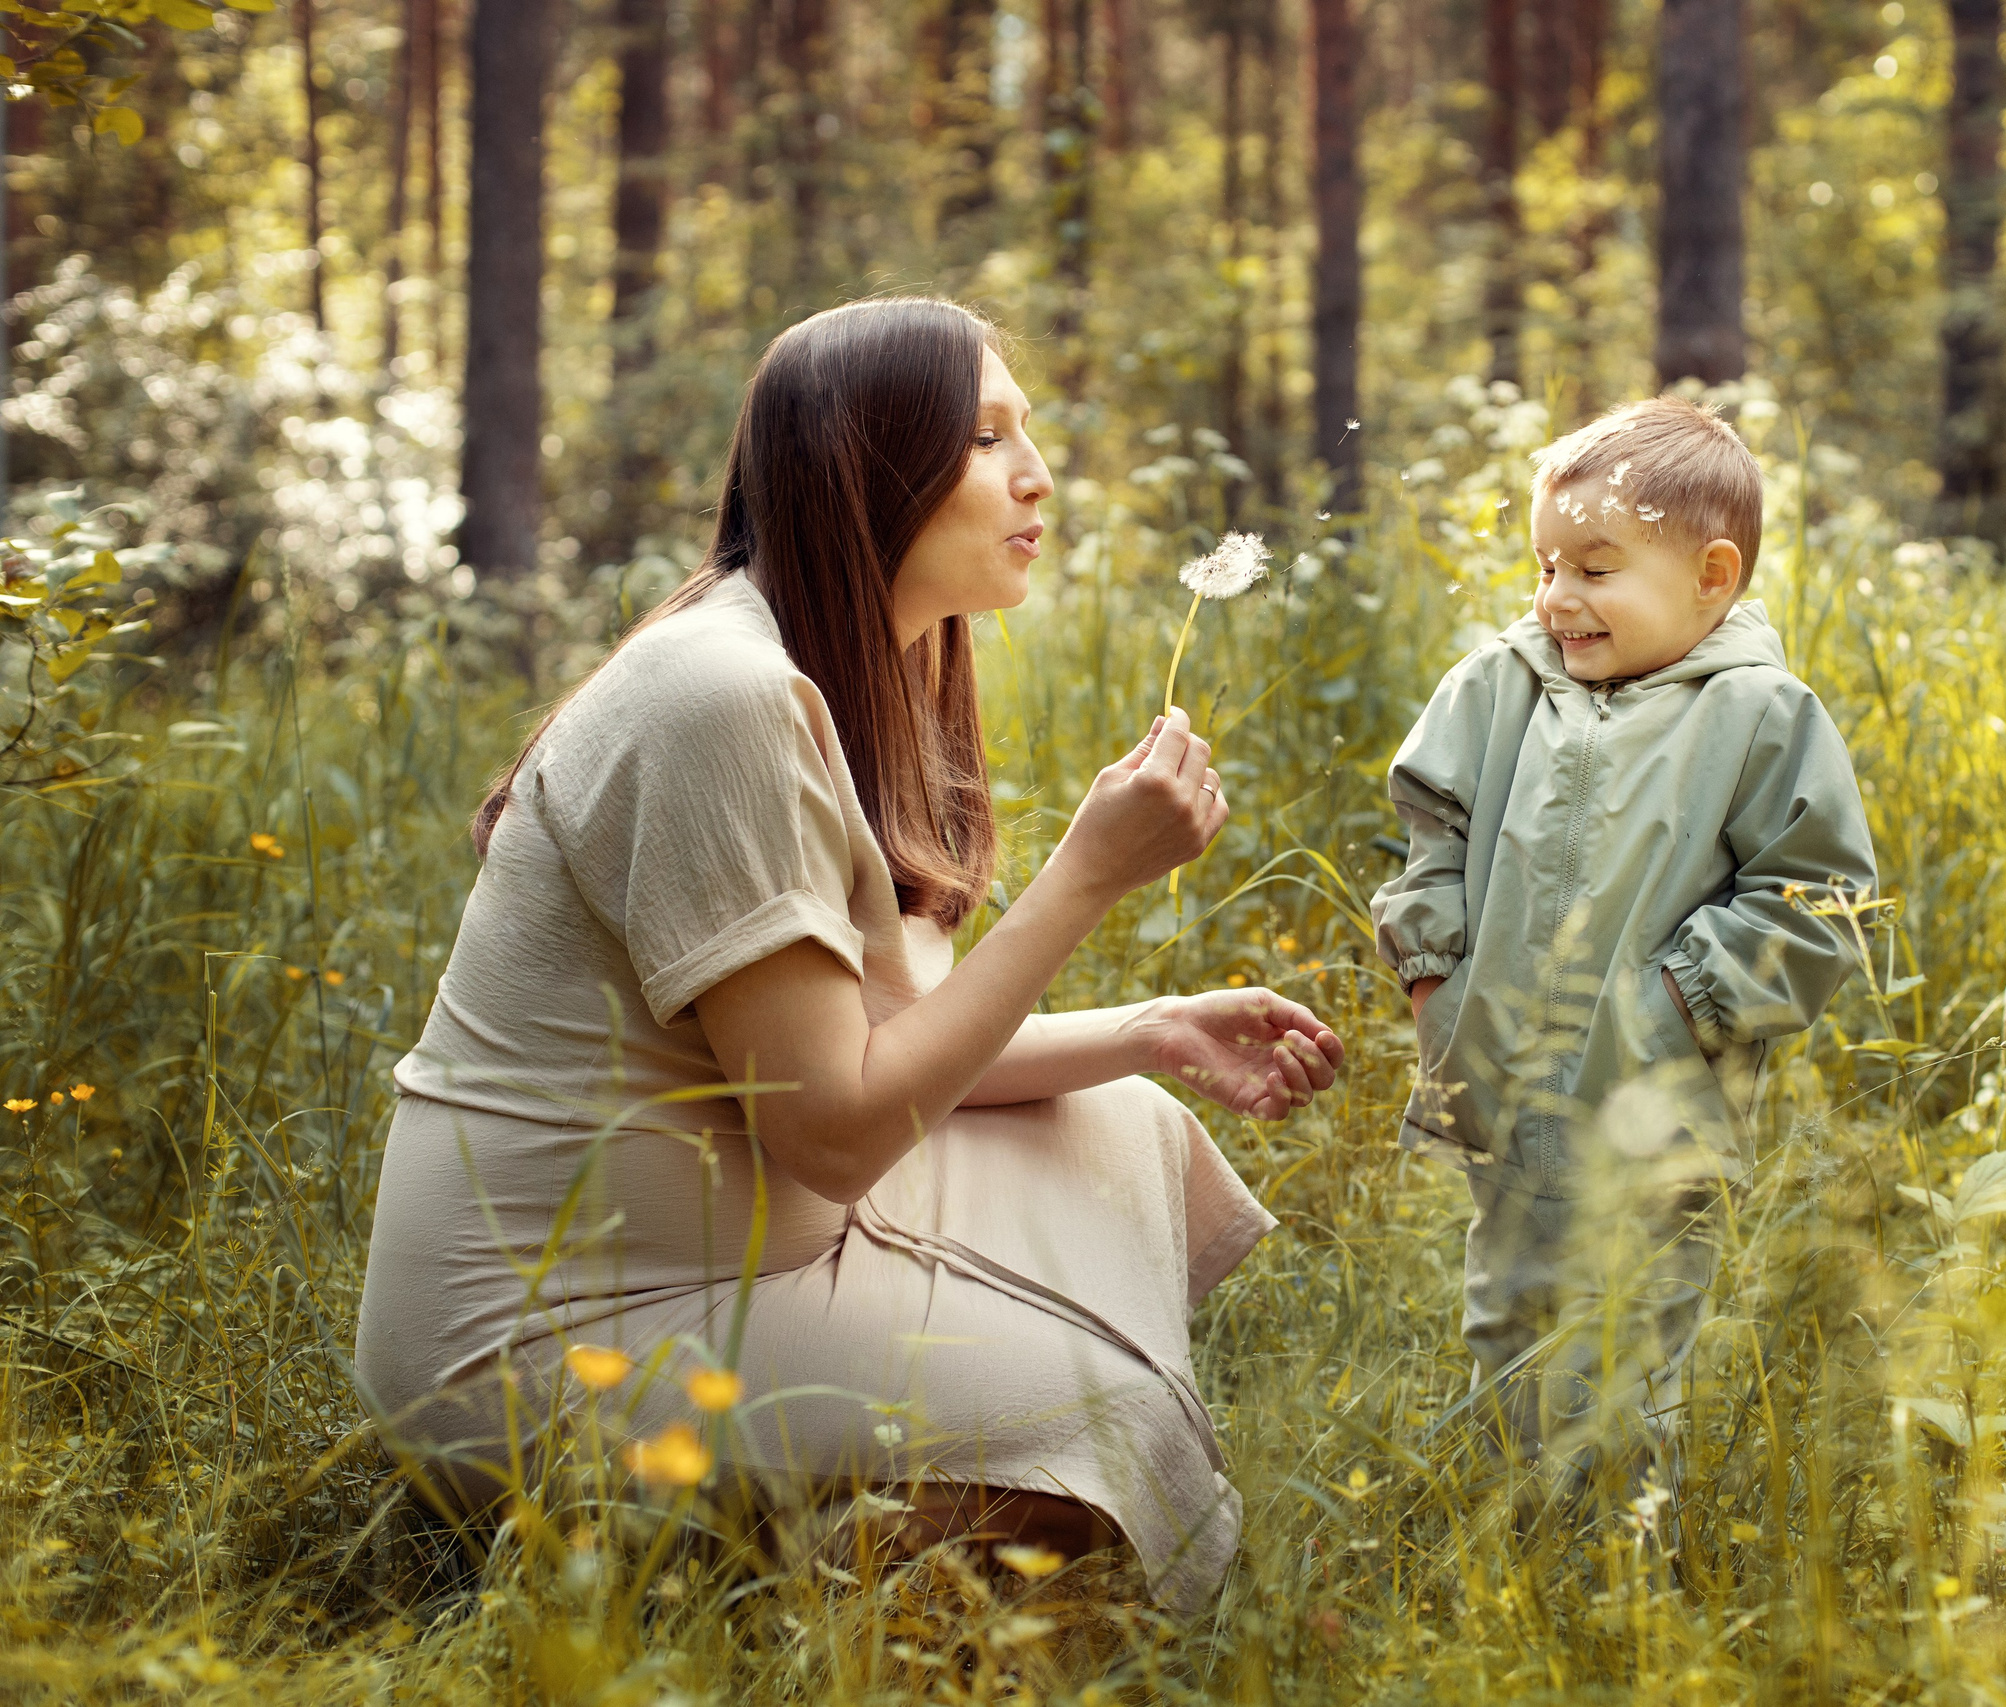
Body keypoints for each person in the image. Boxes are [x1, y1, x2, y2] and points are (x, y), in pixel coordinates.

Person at [354, 297, 1342, 1616]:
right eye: (987, 438)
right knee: (1098, 1407)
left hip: (741, 1243)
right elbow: (834, 1133)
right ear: (864, 471)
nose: (1039, 475)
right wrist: (1087, 878)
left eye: (1026, 434)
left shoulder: (832, 664)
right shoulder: (720, 698)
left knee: (1120, 1125)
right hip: (545, 1336)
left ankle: (897, 1522)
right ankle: (777, 1570)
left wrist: (1154, 1025)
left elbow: (895, 1052)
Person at [1369, 396, 1875, 1478]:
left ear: (1712, 575)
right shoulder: (1501, 685)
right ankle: (1512, 1511)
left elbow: (1818, 893)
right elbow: (1431, 830)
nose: (1558, 598)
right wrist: (1435, 980)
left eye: (1594, 570)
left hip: (1657, 1101)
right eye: (1544, 567)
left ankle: (1614, 1551)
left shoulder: (1760, 715)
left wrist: (1683, 1001)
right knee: (1508, 1301)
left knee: (1633, 1324)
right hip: (1500, 1070)